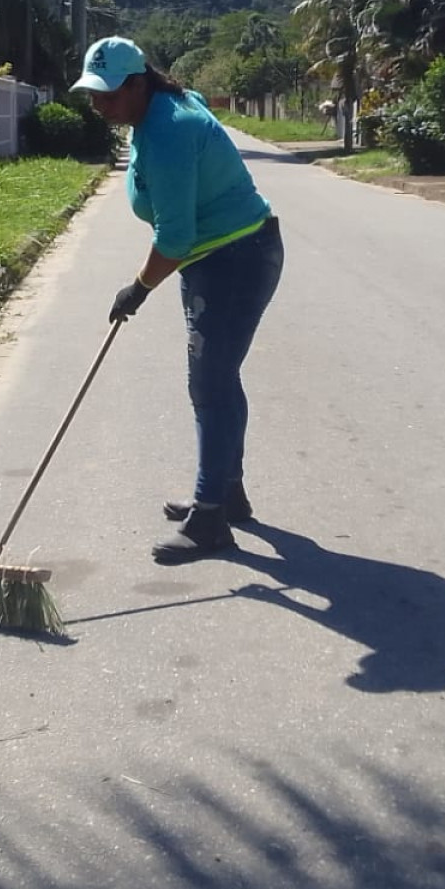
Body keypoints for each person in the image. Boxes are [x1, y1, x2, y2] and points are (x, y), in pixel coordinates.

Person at [74, 36, 284, 563]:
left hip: (233, 261)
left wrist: (137, 289)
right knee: (215, 379)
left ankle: (210, 517)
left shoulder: (168, 129)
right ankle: (224, 492)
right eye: (92, 95)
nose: (98, 104)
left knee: (210, 382)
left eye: (107, 95)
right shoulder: (160, 111)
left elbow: (174, 240)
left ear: (138, 83)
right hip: (218, 258)